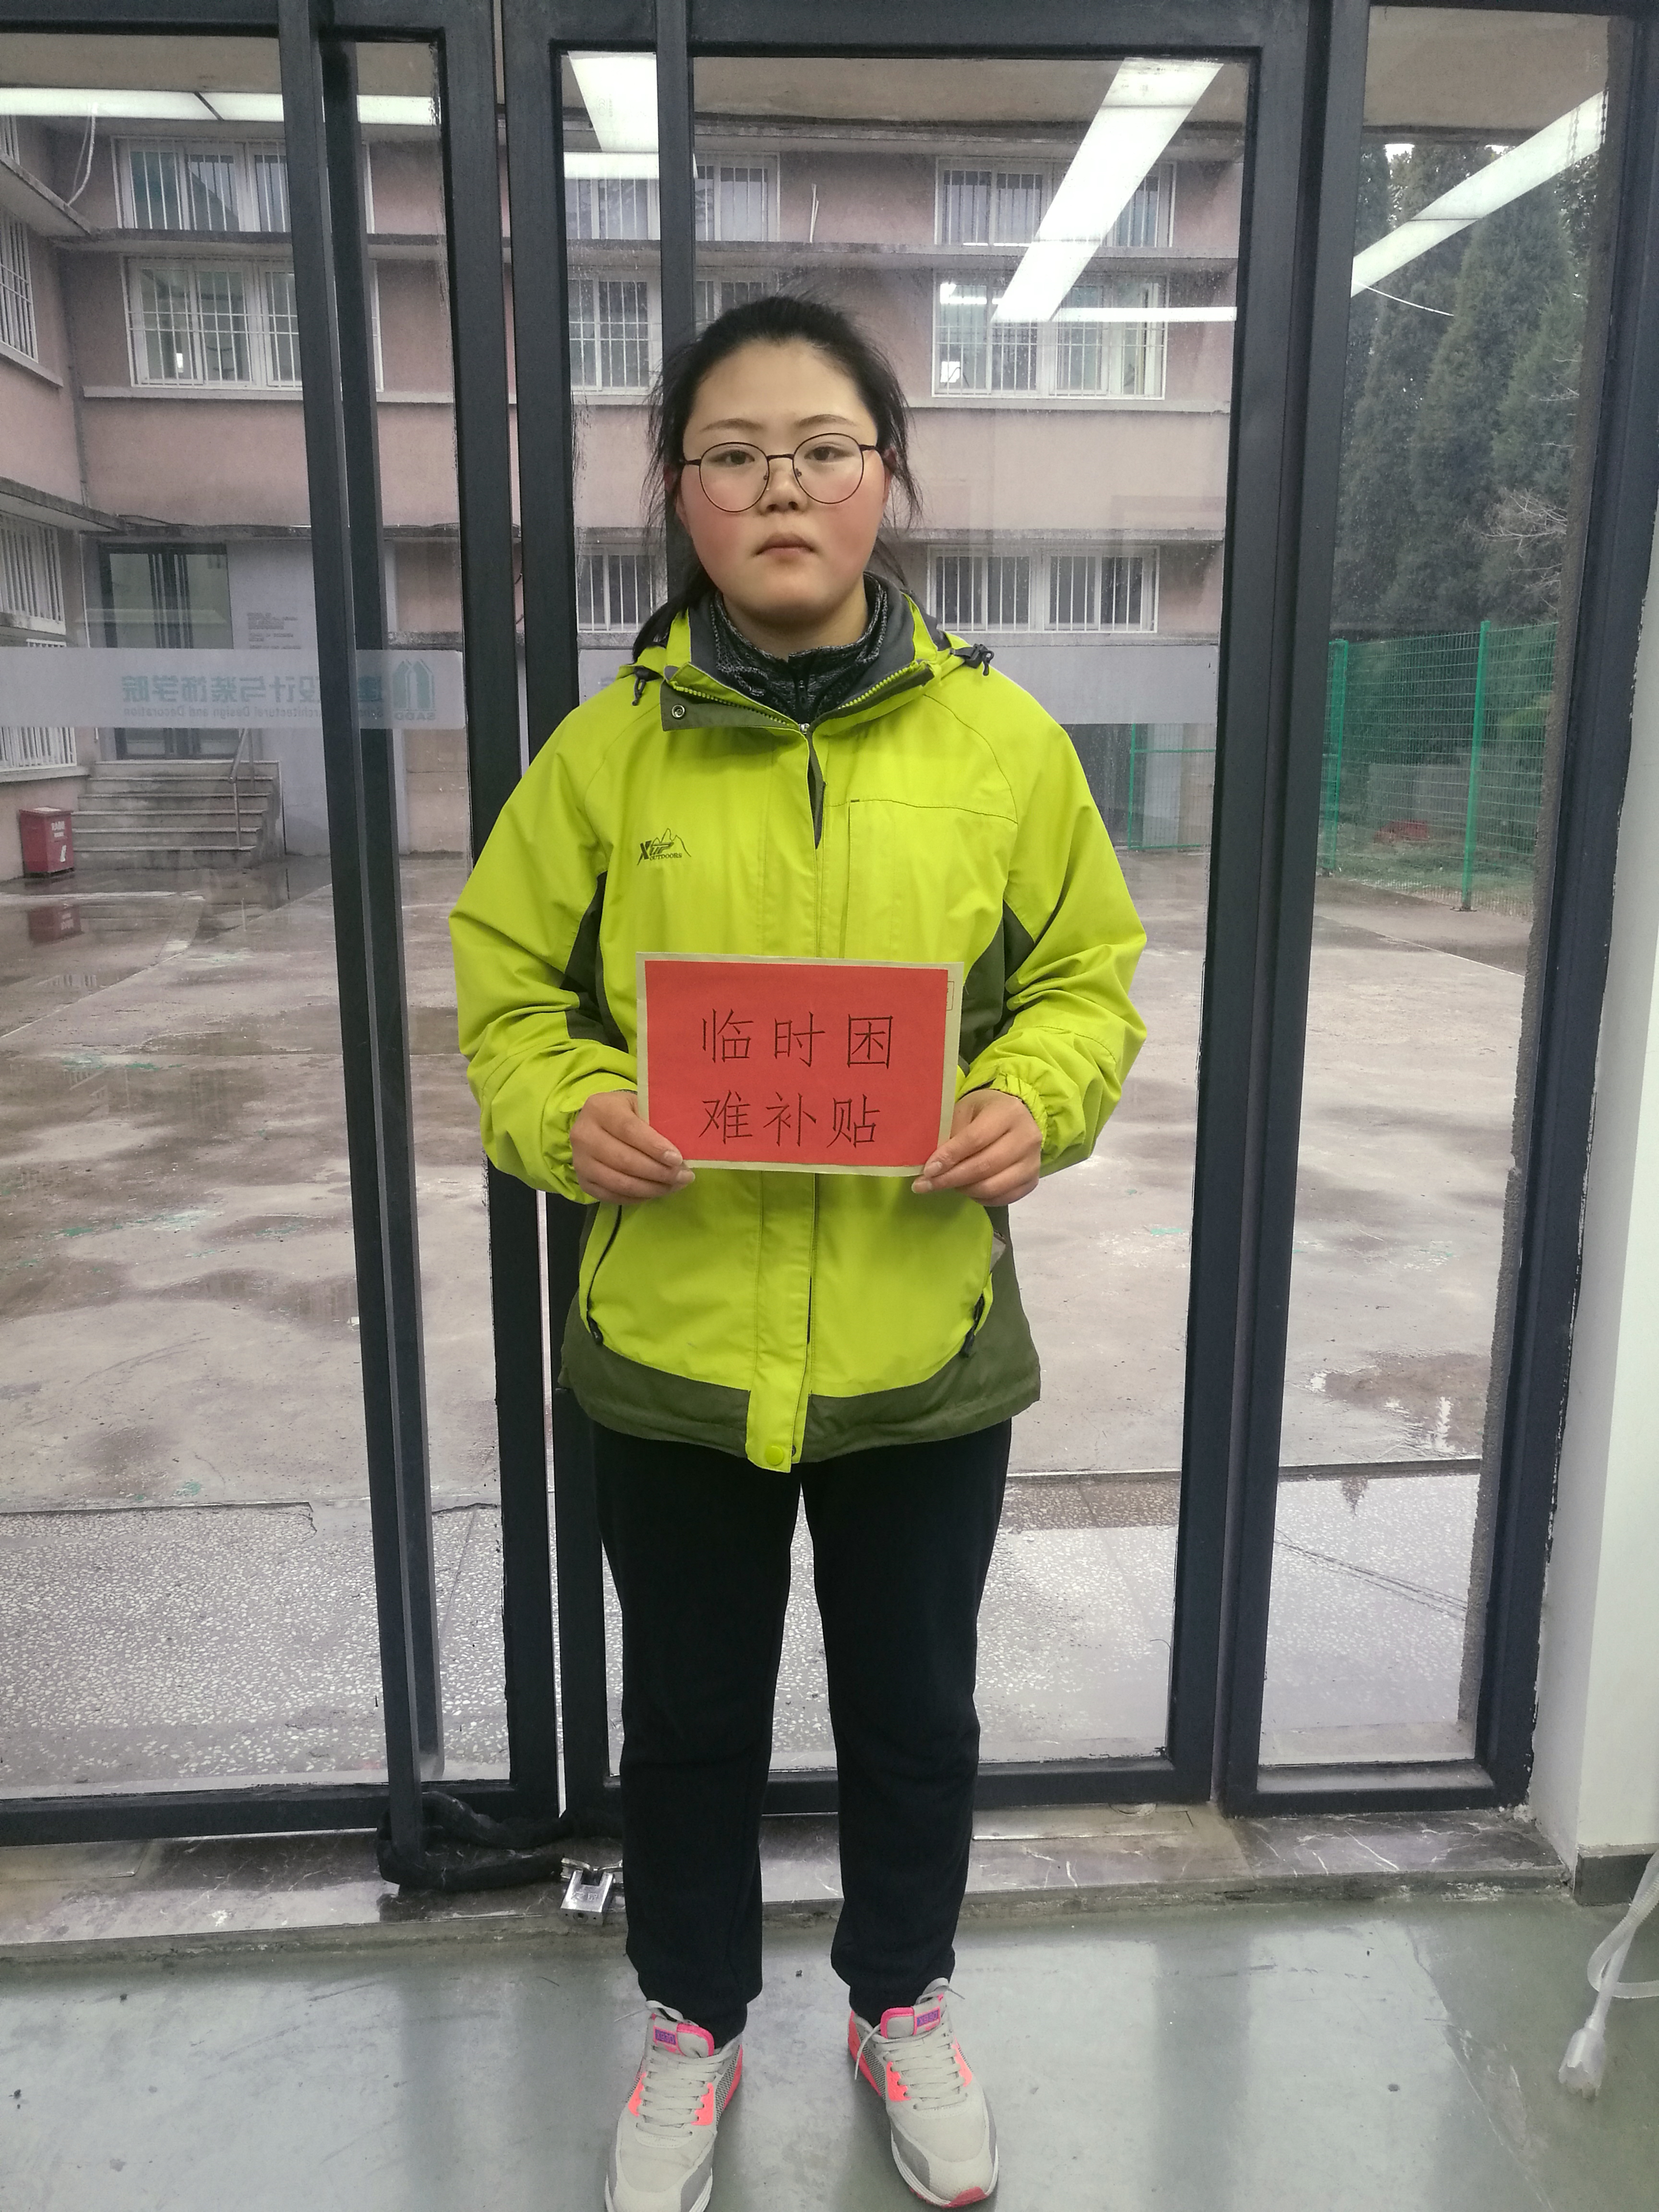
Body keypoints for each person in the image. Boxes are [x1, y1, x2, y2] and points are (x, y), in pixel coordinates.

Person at [450, 295, 1146, 2212]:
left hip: (924, 1348)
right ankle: (694, 2020)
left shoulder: (1002, 745)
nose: (781, 489)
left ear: (884, 479)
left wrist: (1035, 1100)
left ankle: (901, 2000)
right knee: (689, 1722)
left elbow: (1088, 977)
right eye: (734, 454)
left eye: (823, 451)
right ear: (679, 493)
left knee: (915, 1713)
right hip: (673, 1353)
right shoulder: (608, 757)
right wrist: (569, 1111)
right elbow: (504, 993)